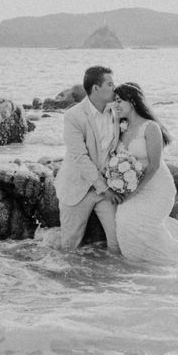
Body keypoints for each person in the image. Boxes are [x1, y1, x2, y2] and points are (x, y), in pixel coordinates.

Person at [112, 82, 178, 263]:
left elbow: (154, 165)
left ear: (132, 101)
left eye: (119, 101)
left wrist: (134, 190)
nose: (115, 105)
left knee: (144, 225)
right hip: (134, 185)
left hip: (156, 187)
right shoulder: (121, 127)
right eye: (114, 101)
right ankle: (137, 265)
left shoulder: (150, 127)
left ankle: (168, 262)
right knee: (124, 219)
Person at [54, 66, 124, 253]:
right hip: (77, 188)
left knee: (118, 242)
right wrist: (104, 187)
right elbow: (79, 157)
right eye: (110, 84)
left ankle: (116, 281)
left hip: (106, 188)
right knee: (70, 246)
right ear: (95, 88)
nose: (114, 88)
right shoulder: (73, 116)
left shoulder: (117, 112)